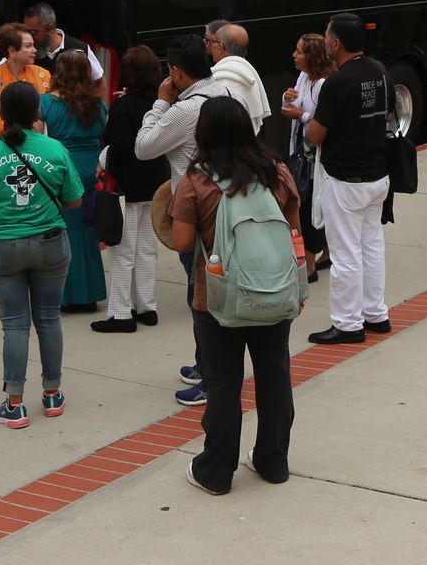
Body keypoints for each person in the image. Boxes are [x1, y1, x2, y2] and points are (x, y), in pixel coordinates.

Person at [172, 97, 308, 495]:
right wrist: (297, 284)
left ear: (204, 133)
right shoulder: (276, 172)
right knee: (274, 376)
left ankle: (215, 471)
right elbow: (294, 232)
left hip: (217, 298)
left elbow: (182, 242)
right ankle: (272, 461)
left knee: (224, 383)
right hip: (274, 292)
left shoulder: (196, 179)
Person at [0, 81, 85, 428]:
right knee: (49, 319)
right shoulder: (54, 149)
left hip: (1, 247)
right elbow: (74, 200)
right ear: (36, 112)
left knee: (14, 324)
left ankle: (14, 404)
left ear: (1, 114)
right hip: (50, 243)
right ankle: (52, 394)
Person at [136, 37, 232, 402]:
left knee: (202, 298)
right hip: (225, 206)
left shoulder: (185, 110)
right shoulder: (224, 92)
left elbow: (143, 148)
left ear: (175, 72)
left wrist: (161, 102)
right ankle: (204, 363)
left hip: (195, 213)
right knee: (210, 294)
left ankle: (210, 377)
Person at [306, 13, 393, 344]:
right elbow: (386, 115)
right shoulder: (380, 71)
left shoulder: (338, 83)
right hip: (378, 174)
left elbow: (315, 134)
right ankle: (376, 314)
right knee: (372, 246)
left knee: (345, 253)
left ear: (336, 43)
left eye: (327, 36)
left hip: (345, 179)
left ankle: (347, 323)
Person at [94, 46, 170, 333]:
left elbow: (120, 146)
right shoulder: (162, 105)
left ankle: (121, 314)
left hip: (126, 187)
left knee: (123, 252)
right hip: (156, 185)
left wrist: (103, 160)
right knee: (147, 250)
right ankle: (146, 306)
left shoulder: (122, 106)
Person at [40, 50, 108, 313]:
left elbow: (36, 138)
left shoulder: (46, 103)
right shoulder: (98, 104)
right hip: (92, 169)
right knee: (88, 232)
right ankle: (90, 293)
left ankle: (69, 295)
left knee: (66, 233)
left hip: (63, 169)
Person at [281, 32, 336, 278]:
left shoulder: (324, 85)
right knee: (310, 206)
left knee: (308, 209)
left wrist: (300, 115)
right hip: (299, 155)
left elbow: (326, 123)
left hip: (315, 159)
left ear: (311, 57)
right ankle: (327, 253)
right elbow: (294, 105)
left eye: (299, 51)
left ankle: (310, 266)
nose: (294, 55)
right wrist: (287, 98)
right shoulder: (303, 77)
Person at [206, 22, 272, 128]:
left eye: (212, 42)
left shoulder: (222, 81)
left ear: (220, 46)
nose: (210, 46)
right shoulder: (248, 71)